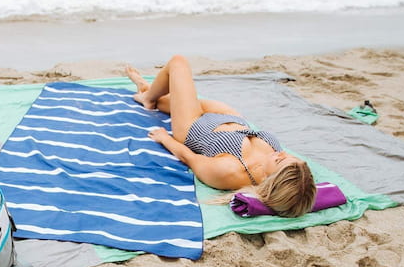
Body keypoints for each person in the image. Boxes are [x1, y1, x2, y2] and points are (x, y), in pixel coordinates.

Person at [125, 55, 316, 218]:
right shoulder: (289, 171)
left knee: (178, 62)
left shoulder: (230, 172)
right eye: (291, 158)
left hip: (193, 125)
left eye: (280, 161)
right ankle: (148, 93)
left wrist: (165, 138)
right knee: (171, 98)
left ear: (270, 180)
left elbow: (190, 158)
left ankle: (147, 94)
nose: (282, 154)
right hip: (230, 118)